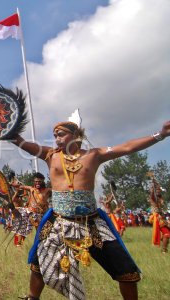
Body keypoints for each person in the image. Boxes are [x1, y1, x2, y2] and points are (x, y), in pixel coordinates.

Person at [12, 118, 170, 300]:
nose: (57, 139)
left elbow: (127, 147)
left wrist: (160, 135)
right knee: (39, 262)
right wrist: (9, 131)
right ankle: (32, 297)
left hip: (91, 222)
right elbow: (23, 143)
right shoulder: (50, 155)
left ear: (76, 135)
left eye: (61, 134)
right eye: (55, 136)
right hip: (58, 220)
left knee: (126, 271)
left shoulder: (94, 155)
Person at [148, 178, 170, 253]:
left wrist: (155, 182)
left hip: (162, 218)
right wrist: (153, 186)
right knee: (167, 234)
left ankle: (164, 247)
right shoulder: (153, 198)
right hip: (157, 219)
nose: (158, 191)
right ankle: (164, 251)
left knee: (167, 234)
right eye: (156, 190)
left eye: (159, 190)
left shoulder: (160, 198)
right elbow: (152, 195)